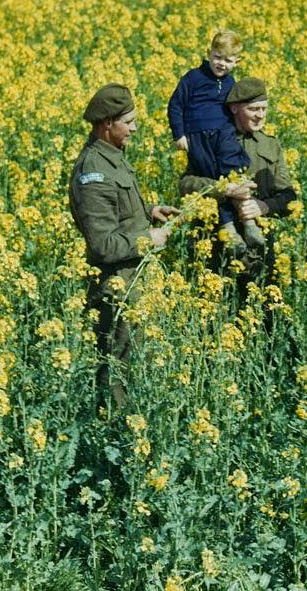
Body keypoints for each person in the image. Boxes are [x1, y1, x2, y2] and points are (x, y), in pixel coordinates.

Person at [70, 83, 180, 408]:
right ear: (107, 124)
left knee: (133, 366)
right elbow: (102, 244)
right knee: (116, 370)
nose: (134, 128)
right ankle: (114, 440)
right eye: (128, 121)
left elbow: (116, 212)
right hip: (116, 289)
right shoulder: (94, 172)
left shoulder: (112, 158)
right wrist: (149, 239)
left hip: (134, 281)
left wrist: (149, 212)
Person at [179, 77, 297, 267]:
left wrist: (264, 207)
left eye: (264, 109)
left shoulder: (271, 144)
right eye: (253, 109)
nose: (260, 115)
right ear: (234, 108)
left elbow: (288, 196)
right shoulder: (211, 139)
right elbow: (186, 184)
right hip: (213, 247)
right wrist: (223, 189)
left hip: (257, 249)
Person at [167, 29, 262, 254]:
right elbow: (175, 105)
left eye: (228, 60)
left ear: (237, 61)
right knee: (215, 182)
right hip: (198, 138)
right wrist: (179, 135)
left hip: (225, 135)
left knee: (235, 172)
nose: (221, 64)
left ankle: (248, 221)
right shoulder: (193, 78)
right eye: (217, 57)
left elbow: (237, 110)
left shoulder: (231, 82)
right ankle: (227, 225)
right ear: (208, 53)